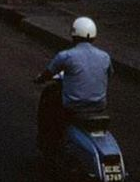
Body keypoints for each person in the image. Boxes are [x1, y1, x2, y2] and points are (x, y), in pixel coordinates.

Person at [34, 17, 113, 156]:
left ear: (74, 36)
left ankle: (48, 141)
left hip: (73, 106)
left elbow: (48, 73)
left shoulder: (66, 56)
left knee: (50, 105)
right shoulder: (105, 57)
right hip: (99, 105)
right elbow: (110, 73)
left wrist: (39, 79)